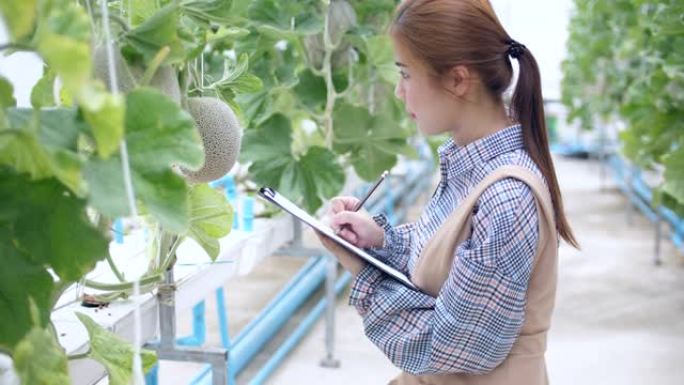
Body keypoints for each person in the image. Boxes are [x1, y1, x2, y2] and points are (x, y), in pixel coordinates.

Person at [316, 0, 580, 384]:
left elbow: (446, 347)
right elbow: (448, 270)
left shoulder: (506, 198)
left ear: (457, 79)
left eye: (406, 75)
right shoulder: (469, 166)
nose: (398, 92)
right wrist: (378, 242)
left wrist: (363, 270)